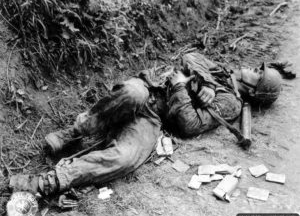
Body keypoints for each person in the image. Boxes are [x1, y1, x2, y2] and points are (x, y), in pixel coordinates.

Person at [9, 52, 282, 196]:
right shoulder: (222, 71)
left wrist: (179, 88)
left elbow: (189, 124)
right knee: (132, 92)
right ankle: (75, 133)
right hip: (148, 90)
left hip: (154, 119)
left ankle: (50, 181)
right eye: (258, 68)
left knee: (126, 158)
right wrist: (207, 81)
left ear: (254, 91)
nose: (252, 68)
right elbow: (189, 56)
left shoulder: (231, 104)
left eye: (258, 74)